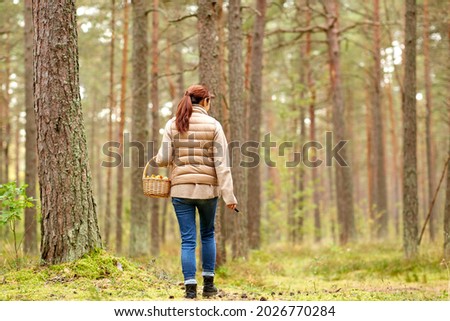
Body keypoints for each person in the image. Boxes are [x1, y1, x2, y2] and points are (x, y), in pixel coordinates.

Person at [155, 84, 237, 299]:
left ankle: (190, 289)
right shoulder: (214, 125)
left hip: (181, 191)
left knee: (188, 240)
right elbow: (222, 164)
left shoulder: (173, 124)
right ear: (205, 101)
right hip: (208, 191)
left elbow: (162, 159)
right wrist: (229, 196)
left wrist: (164, 158)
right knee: (208, 235)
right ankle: (209, 287)